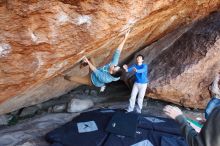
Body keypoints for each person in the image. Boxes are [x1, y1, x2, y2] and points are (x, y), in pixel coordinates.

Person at [64, 30, 130, 92]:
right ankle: (82, 64)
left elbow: (95, 71)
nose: (114, 65)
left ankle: (62, 75)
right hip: (95, 71)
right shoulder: (114, 65)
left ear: (112, 72)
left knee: (71, 78)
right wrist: (125, 38)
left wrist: (88, 62)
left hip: (91, 80)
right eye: (116, 66)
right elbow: (118, 52)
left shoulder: (106, 78)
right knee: (91, 58)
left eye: (114, 67)